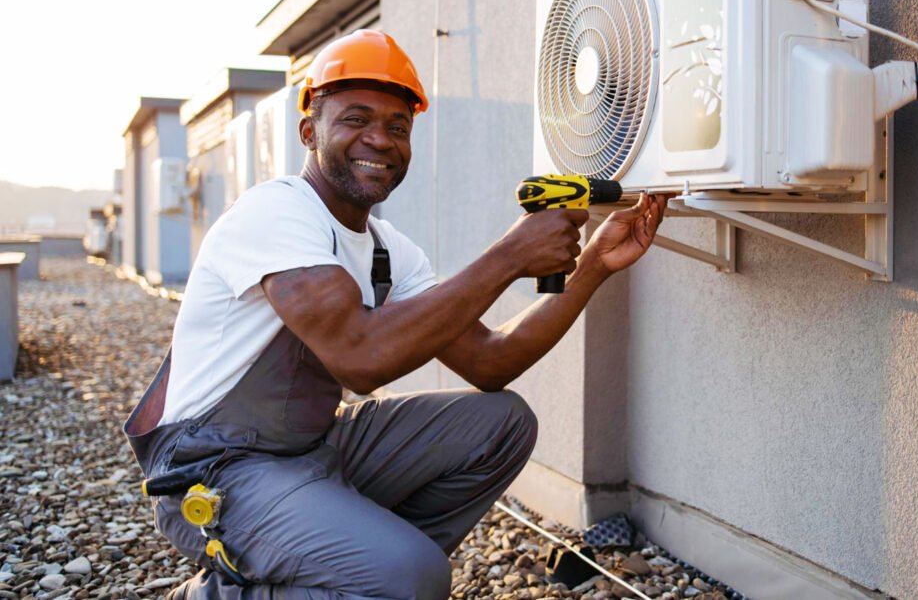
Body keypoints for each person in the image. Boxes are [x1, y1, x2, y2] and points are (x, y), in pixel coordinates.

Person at [124, 29, 668, 599]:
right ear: (309, 131)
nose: (379, 140)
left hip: (310, 451)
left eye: (397, 127)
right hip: (218, 471)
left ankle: (365, 576)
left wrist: (593, 268)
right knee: (412, 576)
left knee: (502, 424)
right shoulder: (274, 214)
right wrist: (510, 256)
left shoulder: (389, 251)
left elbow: (489, 362)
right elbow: (358, 357)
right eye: (356, 119)